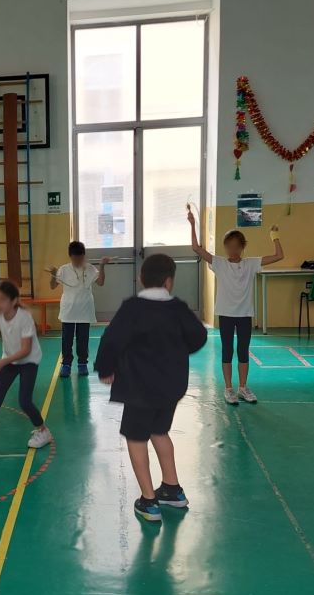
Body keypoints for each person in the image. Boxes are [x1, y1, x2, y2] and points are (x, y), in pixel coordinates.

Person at [95, 253, 207, 523]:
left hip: (140, 388)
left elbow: (111, 340)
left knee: (136, 438)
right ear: (169, 282)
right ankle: (172, 489)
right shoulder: (178, 308)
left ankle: (148, 501)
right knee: (159, 431)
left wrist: (105, 368)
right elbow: (199, 336)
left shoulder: (133, 308)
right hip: (171, 386)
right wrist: (177, 350)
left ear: (141, 279)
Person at [188, 207, 283, 404]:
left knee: (243, 351)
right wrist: (192, 224)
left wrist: (274, 236)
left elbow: (278, 256)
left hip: (245, 314)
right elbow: (196, 248)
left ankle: (243, 387)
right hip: (226, 314)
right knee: (227, 351)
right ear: (225, 247)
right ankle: (229, 388)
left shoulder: (251, 263)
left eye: (236, 246)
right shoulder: (219, 263)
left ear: (242, 247)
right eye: (229, 246)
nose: (232, 250)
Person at [0, 280, 52, 456]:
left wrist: (3, 362)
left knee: (24, 401)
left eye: (2, 300)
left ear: (13, 301)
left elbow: (26, 350)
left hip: (29, 360)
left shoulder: (24, 317)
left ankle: (44, 431)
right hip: (10, 360)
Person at [49, 241, 110, 378]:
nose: (78, 261)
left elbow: (101, 282)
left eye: (80, 258)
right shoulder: (64, 269)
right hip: (68, 310)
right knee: (67, 339)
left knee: (83, 339)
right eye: (75, 258)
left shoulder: (90, 268)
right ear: (70, 256)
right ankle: (66, 364)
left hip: (85, 309)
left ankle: (82, 363)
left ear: (84, 255)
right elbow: (52, 286)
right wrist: (53, 274)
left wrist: (102, 266)